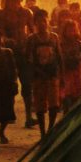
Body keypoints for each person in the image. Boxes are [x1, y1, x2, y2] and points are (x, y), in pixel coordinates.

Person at [0, 0, 35, 127]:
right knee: (9, 85)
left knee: (27, 85)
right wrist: (8, 40)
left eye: (18, 0)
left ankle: (28, 116)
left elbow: (33, 31)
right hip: (8, 53)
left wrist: (30, 46)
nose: (15, 3)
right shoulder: (1, 14)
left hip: (24, 52)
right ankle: (10, 113)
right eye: (13, 0)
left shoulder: (27, 13)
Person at [26, 10, 62, 138]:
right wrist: (32, 74)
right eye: (39, 22)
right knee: (40, 106)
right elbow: (29, 60)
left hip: (52, 75)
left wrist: (60, 75)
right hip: (38, 75)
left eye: (44, 21)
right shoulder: (32, 39)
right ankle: (42, 132)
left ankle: (50, 129)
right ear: (35, 23)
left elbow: (59, 56)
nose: (42, 24)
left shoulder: (54, 37)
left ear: (48, 22)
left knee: (53, 104)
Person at [59, 15, 81, 111]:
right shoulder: (60, 44)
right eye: (69, 30)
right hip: (65, 74)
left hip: (77, 74)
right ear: (64, 31)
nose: (71, 33)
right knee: (66, 97)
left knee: (75, 99)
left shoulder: (80, 44)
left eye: (73, 30)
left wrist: (80, 58)